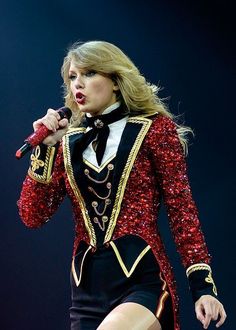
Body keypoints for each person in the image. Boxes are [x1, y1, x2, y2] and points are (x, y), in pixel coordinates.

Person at [17, 40, 226, 330]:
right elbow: (32, 215)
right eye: (73, 76)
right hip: (86, 292)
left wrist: (203, 286)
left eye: (89, 74)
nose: (78, 84)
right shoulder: (67, 143)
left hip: (143, 282)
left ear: (115, 80)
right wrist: (46, 149)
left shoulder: (153, 129)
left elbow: (182, 211)